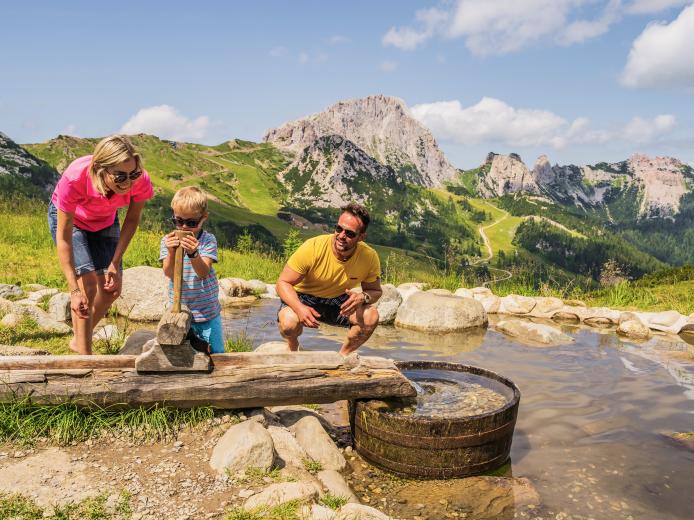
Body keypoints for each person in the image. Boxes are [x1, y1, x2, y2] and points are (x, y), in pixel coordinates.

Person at [48, 135, 153, 355]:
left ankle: (78, 340)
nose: (128, 182)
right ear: (100, 170)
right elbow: (64, 238)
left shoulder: (139, 179)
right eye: (120, 176)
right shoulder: (75, 178)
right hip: (72, 221)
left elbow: (132, 220)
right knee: (87, 285)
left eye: (133, 173)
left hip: (104, 221)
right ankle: (85, 361)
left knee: (111, 290)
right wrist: (74, 290)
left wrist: (115, 262)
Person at [277, 202, 382, 356]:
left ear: (361, 237)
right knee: (288, 323)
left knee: (370, 316)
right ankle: (293, 346)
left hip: (338, 299)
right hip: (303, 297)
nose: (341, 236)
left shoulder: (369, 257)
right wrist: (299, 308)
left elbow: (375, 291)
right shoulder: (312, 247)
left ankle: (342, 357)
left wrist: (363, 297)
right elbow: (282, 283)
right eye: (338, 228)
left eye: (350, 233)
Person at [159, 186, 224, 353]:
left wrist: (194, 253)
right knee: (182, 354)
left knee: (216, 353)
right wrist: (172, 252)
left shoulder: (208, 240)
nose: (184, 227)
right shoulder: (168, 240)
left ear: (204, 218)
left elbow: (203, 272)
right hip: (180, 309)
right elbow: (168, 272)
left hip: (207, 312)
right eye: (178, 221)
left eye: (192, 223)